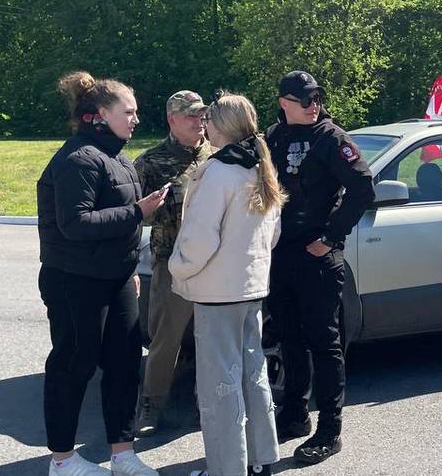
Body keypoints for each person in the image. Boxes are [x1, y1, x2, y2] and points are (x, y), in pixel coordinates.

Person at [36, 71, 165, 476]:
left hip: (117, 278)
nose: (136, 119)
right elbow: (75, 224)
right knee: (73, 366)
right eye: (128, 112)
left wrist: (130, 267)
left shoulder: (118, 158)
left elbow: (119, 224)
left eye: (136, 112)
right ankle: (62, 460)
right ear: (101, 114)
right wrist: (138, 211)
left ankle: (123, 454)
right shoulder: (78, 159)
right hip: (74, 279)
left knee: (124, 365)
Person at [168, 93, 285, 476]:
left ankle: (226, 469)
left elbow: (200, 238)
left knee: (219, 385)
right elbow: (273, 233)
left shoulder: (219, 171)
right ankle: (259, 460)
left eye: (209, 120)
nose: (205, 126)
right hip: (251, 288)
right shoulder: (260, 166)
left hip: (218, 292)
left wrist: (178, 267)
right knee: (253, 375)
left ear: (222, 126)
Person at [265, 71, 374, 465]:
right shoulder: (274, 137)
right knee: (289, 339)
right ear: (285, 103)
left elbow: (363, 188)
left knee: (324, 344)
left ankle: (330, 429)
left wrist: (331, 236)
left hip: (317, 257)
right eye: (305, 99)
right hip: (281, 254)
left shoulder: (331, 138)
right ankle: (294, 414)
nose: (314, 105)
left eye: (317, 98)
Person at [133, 90, 212, 436]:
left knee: (212, 338)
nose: (199, 121)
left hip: (213, 264)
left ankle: (208, 403)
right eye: (191, 115)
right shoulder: (151, 162)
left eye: (202, 115)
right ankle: (151, 403)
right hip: (173, 263)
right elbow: (133, 214)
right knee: (166, 339)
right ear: (172, 120)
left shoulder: (217, 155)